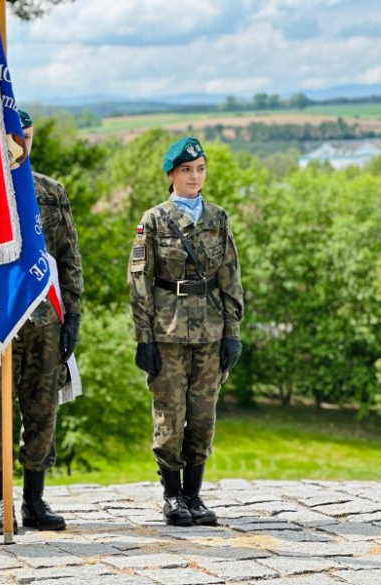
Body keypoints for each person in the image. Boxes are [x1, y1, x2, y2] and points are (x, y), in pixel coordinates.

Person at [0, 109, 83, 534]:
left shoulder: (50, 193)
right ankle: (1, 502)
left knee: (42, 410)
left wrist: (73, 318)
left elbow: (69, 260)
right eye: (15, 137)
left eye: (28, 137)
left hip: (44, 322)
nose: (22, 145)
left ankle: (34, 500)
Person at [127, 136, 243, 527]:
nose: (195, 177)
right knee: (169, 414)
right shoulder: (154, 220)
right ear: (171, 175)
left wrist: (232, 331)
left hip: (210, 329)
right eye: (186, 170)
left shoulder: (218, 217)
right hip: (168, 331)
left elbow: (230, 276)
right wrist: (144, 337)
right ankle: (172, 496)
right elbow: (139, 280)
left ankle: (194, 495)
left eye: (200, 169)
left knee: (203, 414)